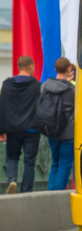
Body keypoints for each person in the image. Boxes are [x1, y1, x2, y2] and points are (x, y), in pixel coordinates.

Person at [0, 56, 41, 194]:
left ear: (19, 66)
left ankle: (12, 179)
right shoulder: (36, 85)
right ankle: (26, 191)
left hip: (12, 128)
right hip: (31, 128)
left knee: (12, 157)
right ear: (30, 66)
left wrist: (1, 129)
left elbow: (2, 107)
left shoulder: (7, 84)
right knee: (29, 161)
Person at [40, 57, 75, 191]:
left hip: (50, 130)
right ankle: (58, 194)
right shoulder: (72, 90)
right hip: (68, 132)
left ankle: (51, 192)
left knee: (54, 163)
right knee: (64, 164)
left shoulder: (45, 86)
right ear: (68, 69)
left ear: (55, 69)